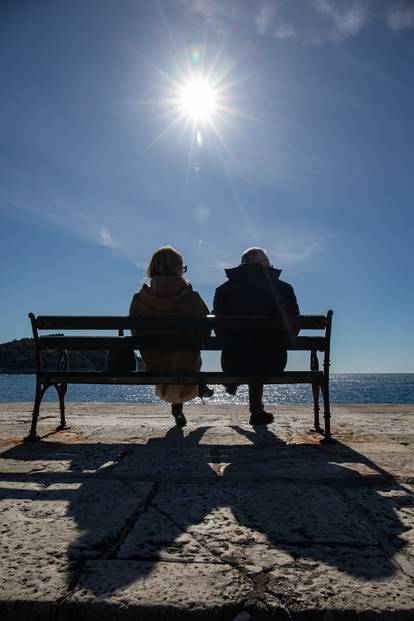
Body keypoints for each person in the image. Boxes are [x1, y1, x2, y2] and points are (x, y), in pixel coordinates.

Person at [213, 247, 299, 425]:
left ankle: (241, 392)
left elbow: (218, 329)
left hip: (233, 362)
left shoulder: (223, 290)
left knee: (248, 350)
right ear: (263, 264)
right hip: (273, 362)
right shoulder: (283, 289)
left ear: (242, 265)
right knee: (261, 351)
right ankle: (256, 412)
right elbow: (294, 327)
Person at [129, 246, 213, 427]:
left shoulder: (139, 299)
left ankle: (187, 397)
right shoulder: (192, 297)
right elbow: (207, 330)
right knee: (183, 355)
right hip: (187, 361)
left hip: (155, 362)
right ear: (179, 268)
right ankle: (193, 392)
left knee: (170, 356)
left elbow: (134, 334)